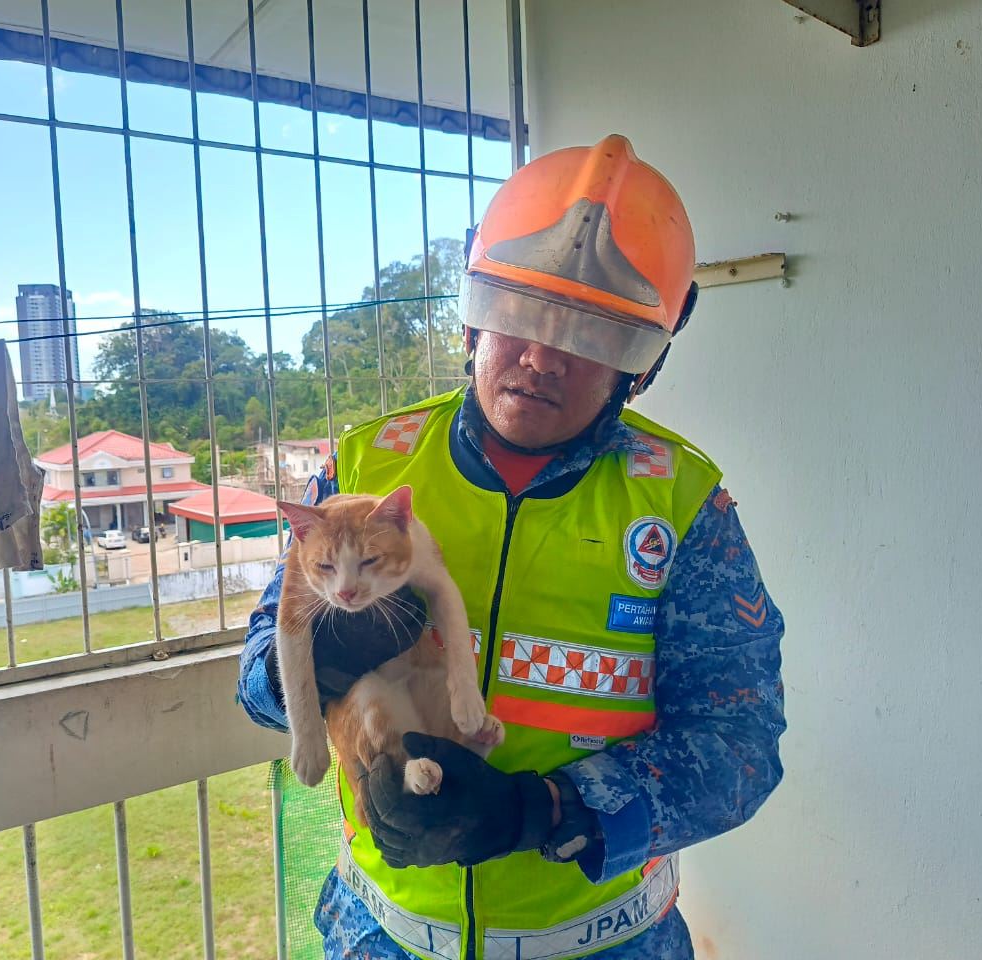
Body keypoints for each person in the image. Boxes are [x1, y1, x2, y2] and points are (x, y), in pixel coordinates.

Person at [239, 134, 786, 960]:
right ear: (472, 315)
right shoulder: (362, 470)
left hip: (603, 942)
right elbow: (256, 676)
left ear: (645, 363)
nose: (540, 359)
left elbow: (739, 744)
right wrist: (326, 660)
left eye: (593, 336)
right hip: (381, 934)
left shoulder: (681, 509)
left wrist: (550, 811)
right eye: (521, 315)